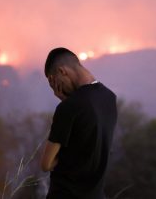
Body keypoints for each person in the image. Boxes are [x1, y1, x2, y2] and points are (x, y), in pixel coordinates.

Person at [41, 47, 117, 199]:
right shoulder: (109, 98)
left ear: (62, 71)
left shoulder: (68, 108)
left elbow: (46, 164)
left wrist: (66, 105)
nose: (56, 89)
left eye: (54, 82)